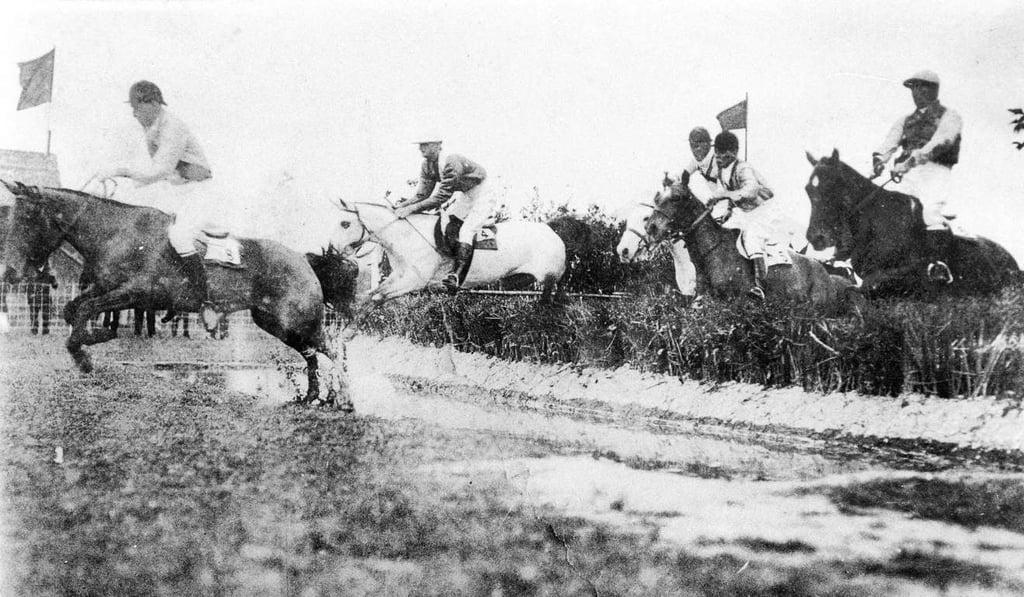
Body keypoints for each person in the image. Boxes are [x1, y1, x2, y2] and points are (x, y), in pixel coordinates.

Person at [92, 80, 218, 323]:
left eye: (137, 107)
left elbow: (157, 171)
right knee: (154, 233)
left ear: (152, 103)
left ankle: (206, 301)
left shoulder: (173, 127)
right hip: (179, 191)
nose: (134, 113)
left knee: (179, 236)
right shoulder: (154, 129)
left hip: (199, 191)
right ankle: (174, 294)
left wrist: (118, 169)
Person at [872, 70, 962, 284]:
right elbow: (890, 142)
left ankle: (939, 264)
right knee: (886, 207)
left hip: (935, 171)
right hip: (906, 173)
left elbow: (940, 143)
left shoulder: (950, 116)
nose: (916, 92)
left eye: (921, 87)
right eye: (913, 87)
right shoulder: (905, 120)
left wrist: (908, 163)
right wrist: (879, 160)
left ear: (932, 89)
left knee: (930, 211)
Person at [393, 134, 492, 294]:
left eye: (425, 144)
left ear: (438, 145)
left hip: (484, 192)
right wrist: (401, 206)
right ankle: (448, 267)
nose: (421, 149)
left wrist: (410, 209)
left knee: (467, 230)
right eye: (420, 145)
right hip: (466, 194)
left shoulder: (451, 161)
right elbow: (422, 195)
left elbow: (442, 196)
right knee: (449, 225)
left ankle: (456, 276)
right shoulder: (427, 165)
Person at [707, 131, 776, 299]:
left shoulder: (743, 168)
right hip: (744, 211)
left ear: (733, 153)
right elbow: (733, 193)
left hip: (762, 210)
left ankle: (759, 286)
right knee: (725, 232)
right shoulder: (722, 171)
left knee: (751, 237)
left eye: (723, 153)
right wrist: (728, 211)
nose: (718, 157)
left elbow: (750, 192)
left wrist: (722, 195)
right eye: (717, 152)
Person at [663, 126, 719, 201]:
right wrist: (671, 181)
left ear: (707, 144)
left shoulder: (718, 157)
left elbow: (727, 183)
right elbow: (685, 174)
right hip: (715, 197)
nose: (695, 150)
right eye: (692, 146)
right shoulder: (696, 160)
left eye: (697, 145)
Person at [26, 261, 58, 335]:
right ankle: (34, 332)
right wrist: (30, 299)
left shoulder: (48, 273)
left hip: (45, 298)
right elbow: (29, 287)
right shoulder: (32, 272)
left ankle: (45, 332)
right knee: (34, 316)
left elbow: (55, 286)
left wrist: (54, 277)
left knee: (46, 316)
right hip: (34, 298)